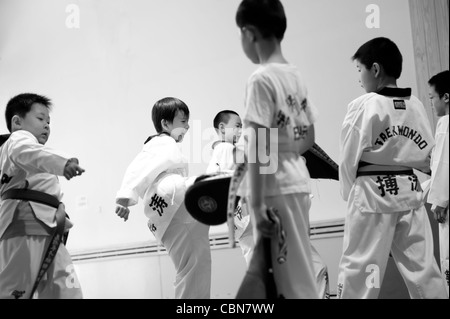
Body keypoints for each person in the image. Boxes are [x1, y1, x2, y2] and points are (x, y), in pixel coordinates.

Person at [337, 37, 447, 299]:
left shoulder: (364, 105)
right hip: (409, 192)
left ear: (375, 69)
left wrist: (349, 192)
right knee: (423, 270)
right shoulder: (416, 104)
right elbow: (426, 158)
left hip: (371, 193)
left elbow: (348, 157)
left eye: (360, 71)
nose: (359, 79)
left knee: (360, 270)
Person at [235, 0, 320, 298]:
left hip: (273, 190)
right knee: (299, 271)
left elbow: (258, 144)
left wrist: (256, 205)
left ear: (248, 33)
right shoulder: (294, 75)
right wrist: (285, 152)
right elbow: (309, 136)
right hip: (297, 181)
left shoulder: (261, 78)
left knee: (284, 282)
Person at [115, 97, 211, 299]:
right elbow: (137, 167)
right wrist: (124, 198)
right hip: (172, 192)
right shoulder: (161, 142)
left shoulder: (161, 144)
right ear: (165, 124)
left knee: (191, 265)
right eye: (183, 121)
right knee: (195, 264)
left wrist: (127, 198)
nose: (187, 126)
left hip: (165, 211)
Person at [0, 93, 85, 299]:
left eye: (49, 121)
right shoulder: (18, 141)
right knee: (14, 291)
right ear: (17, 122)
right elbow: (29, 152)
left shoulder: (33, 153)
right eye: (40, 119)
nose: (47, 125)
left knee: (67, 291)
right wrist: (64, 163)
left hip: (50, 230)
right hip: (24, 225)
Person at [206, 110, 255, 265]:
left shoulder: (218, 151)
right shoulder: (226, 148)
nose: (240, 131)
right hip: (245, 211)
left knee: (252, 255)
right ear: (222, 128)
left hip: (236, 216)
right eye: (237, 126)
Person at [427, 70, 449, 296]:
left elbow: (444, 164)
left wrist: (439, 203)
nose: (431, 102)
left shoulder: (446, 123)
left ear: (446, 97)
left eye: (432, 97)